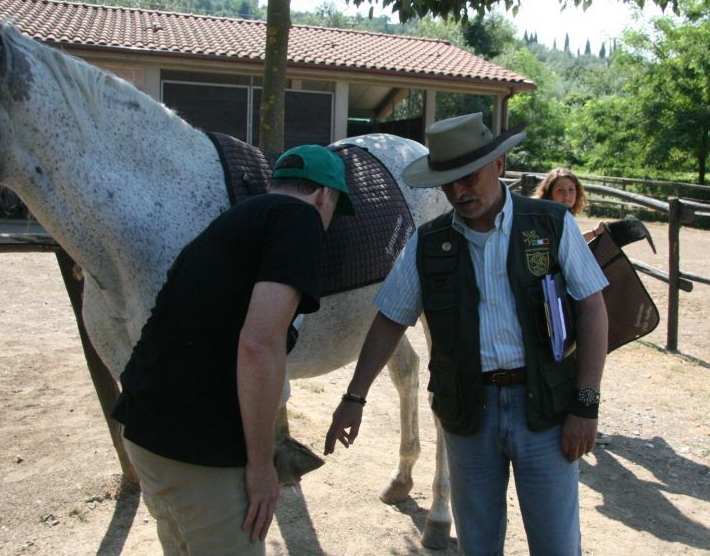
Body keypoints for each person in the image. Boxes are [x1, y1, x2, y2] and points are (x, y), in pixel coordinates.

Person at [325, 113, 608, 555]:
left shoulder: (550, 224)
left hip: (547, 412)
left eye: (468, 176)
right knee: (477, 544)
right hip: (467, 414)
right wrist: (354, 396)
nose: (458, 191)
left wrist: (586, 403)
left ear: (499, 165)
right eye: (447, 182)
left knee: (556, 544)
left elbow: (592, 306)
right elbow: (389, 319)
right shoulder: (427, 242)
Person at [112, 144, 354, 555]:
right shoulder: (301, 219)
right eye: (333, 209)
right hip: (200, 453)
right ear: (324, 196)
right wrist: (261, 467)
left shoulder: (234, 220)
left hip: (145, 434)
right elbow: (259, 343)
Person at [535, 167, 612, 446]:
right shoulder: (545, 219)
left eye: (571, 191)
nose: (567, 196)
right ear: (550, 193)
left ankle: (582, 411)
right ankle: (572, 413)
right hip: (556, 300)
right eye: (561, 191)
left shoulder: (562, 218)